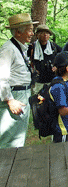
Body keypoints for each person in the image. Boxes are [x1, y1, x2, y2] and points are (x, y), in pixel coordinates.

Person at [0, 13, 37, 148]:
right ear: (18, 32)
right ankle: (5, 167)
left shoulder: (20, 48)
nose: (32, 33)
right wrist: (9, 100)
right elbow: (1, 77)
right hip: (14, 97)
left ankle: (13, 166)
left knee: (18, 136)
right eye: (29, 30)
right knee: (9, 138)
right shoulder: (8, 49)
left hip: (22, 95)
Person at [28, 24, 62, 94]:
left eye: (47, 33)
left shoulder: (53, 46)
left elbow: (64, 56)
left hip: (52, 79)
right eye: (42, 33)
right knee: (37, 101)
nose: (45, 35)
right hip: (38, 81)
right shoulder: (32, 47)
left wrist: (57, 66)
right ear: (37, 35)